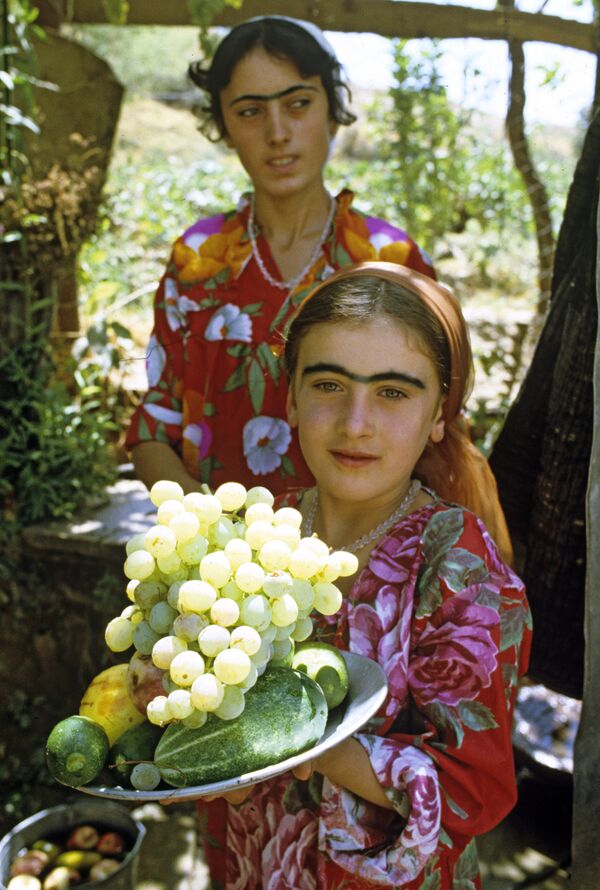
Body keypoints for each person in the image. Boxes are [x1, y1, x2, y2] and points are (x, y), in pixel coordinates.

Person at [198, 261, 532, 889]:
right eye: (328, 385)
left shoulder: (457, 566)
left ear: (440, 414)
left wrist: (301, 743)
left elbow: (474, 787)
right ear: (291, 398)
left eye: (394, 392)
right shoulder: (259, 538)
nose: (356, 423)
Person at [125, 16, 435, 497]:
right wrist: (211, 532)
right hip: (221, 558)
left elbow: (428, 430)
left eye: (298, 104)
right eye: (249, 111)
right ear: (223, 127)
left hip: (357, 559)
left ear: (333, 112)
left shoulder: (388, 260)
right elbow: (154, 429)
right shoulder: (198, 260)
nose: (277, 133)